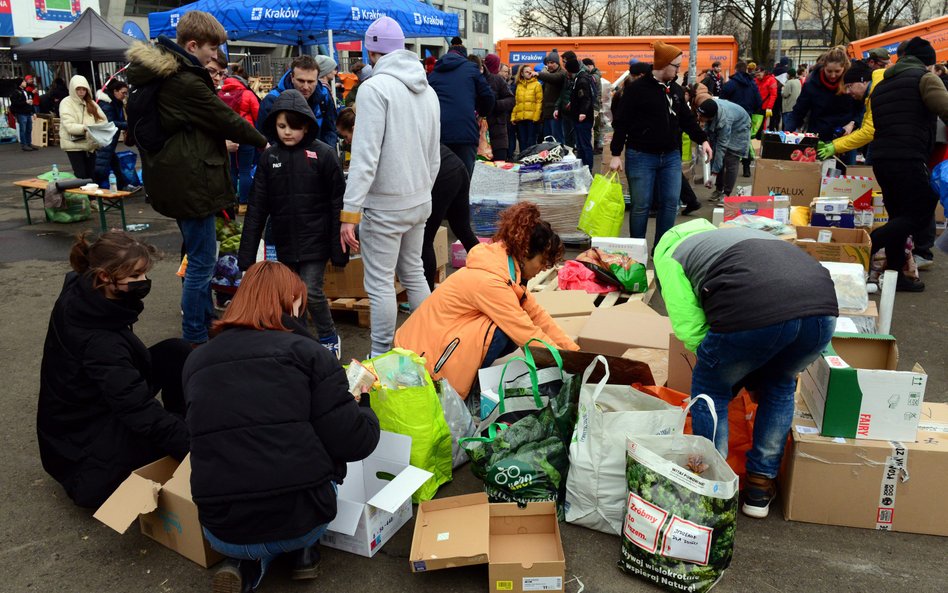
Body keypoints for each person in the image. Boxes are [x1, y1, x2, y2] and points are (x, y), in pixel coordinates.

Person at [183, 261, 380, 593]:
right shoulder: (309, 353)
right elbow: (354, 443)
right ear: (293, 302)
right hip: (301, 520)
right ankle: (302, 551)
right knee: (314, 442)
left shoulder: (196, 360)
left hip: (220, 527)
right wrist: (362, 404)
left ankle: (248, 563)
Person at [654, 218, 838, 518]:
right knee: (780, 384)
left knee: (710, 387)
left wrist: (725, 370)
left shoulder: (669, 255)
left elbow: (690, 329)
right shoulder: (734, 238)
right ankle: (759, 488)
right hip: (822, 312)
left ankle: (713, 484)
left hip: (756, 310)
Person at [126, 11, 267, 347]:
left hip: (174, 178)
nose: (214, 57)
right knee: (202, 264)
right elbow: (224, 118)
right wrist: (265, 143)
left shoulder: (164, 73)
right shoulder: (184, 81)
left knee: (198, 256)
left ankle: (205, 319)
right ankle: (194, 335)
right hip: (191, 182)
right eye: (211, 50)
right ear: (192, 45)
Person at [38, 231, 191, 508]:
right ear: (105, 276)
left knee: (177, 352)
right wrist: (196, 448)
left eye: (144, 274)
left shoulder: (83, 288)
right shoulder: (100, 343)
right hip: (80, 434)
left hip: (86, 400)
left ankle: (180, 422)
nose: (143, 282)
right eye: (134, 277)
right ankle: (181, 433)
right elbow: (137, 410)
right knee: (152, 442)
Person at [395, 203, 580, 398]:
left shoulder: (504, 267)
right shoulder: (491, 280)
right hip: (418, 360)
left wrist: (575, 354)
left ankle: (468, 377)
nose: (543, 269)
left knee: (507, 326)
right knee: (503, 330)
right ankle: (451, 385)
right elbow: (528, 334)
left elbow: (538, 316)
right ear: (526, 254)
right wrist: (566, 364)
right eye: (542, 262)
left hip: (430, 344)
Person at [340, 16, 441, 357]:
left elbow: (365, 157)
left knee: (381, 282)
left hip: (385, 203)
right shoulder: (427, 90)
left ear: (371, 50)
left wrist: (349, 212)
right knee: (414, 273)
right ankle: (428, 345)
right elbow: (434, 153)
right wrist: (423, 190)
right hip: (419, 199)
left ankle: (381, 353)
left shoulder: (374, 89)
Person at [237, 90, 348, 357]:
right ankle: (300, 342)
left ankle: (328, 336)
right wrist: (246, 255)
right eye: (282, 126)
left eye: (294, 127)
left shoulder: (323, 154)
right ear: (274, 125)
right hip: (284, 240)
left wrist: (339, 249)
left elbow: (338, 203)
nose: (288, 132)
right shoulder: (268, 157)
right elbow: (257, 208)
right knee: (290, 296)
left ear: (307, 125)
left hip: (316, 240)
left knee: (312, 291)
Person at [336, 109, 478, 291]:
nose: (346, 142)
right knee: (462, 229)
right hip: (456, 167)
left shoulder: (375, 140)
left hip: (440, 176)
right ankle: (494, 275)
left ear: (356, 128)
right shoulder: (391, 128)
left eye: (345, 136)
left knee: (424, 240)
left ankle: (426, 299)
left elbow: (372, 174)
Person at [609, 41, 712, 249]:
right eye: (676, 65)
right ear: (664, 64)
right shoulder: (636, 90)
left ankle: (661, 249)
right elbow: (622, 122)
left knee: (670, 203)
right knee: (641, 206)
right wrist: (615, 153)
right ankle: (637, 250)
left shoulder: (674, 90)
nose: (678, 70)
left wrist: (703, 140)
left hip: (670, 157)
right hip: (641, 156)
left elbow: (686, 119)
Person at [868, 37, 948, 292]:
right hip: (908, 156)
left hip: (881, 158)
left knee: (899, 216)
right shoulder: (924, 78)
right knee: (922, 208)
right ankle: (871, 241)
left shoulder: (882, 84)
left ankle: (896, 275)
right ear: (927, 62)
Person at [428, 43, 495, 174]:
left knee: (442, 179)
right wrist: (482, 113)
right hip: (465, 131)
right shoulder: (471, 69)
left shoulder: (435, 72)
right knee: (464, 178)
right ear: (464, 56)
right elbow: (488, 96)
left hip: (439, 133)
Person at [784, 46, 862, 148]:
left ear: (844, 68)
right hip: (819, 135)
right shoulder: (811, 84)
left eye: (837, 71)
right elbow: (798, 111)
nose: (833, 75)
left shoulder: (852, 82)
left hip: (845, 138)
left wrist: (853, 123)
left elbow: (862, 108)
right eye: (829, 71)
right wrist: (785, 134)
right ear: (823, 67)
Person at [816, 61, 882, 163]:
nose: (847, 91)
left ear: (863, 81)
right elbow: (864, 128)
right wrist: (834, 144)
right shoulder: (872, 93)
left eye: (849, 86)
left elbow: (868, 131)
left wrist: (835, 147)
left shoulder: (877, 93)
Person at [219, 56, 261, 215]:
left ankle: (231, 201)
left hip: (227, 136)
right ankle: (244, 203)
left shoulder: (220, 93)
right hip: (245, 135)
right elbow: (258, 115)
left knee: (232, 170)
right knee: (245, 170)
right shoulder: (247, 94)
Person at [697, 98, 751, 202]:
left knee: (730, 158)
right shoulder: (709, 106)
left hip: (740, 126)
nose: (699, 118)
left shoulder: (725, 121)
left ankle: (726, 193)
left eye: (701, 117)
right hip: (729, 119)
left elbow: (721, 147)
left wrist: (713, 174)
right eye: (698, 114)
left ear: (710, 117)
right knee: (715, 152)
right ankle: (718, 189)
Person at [257, 55, 324, 139]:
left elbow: (330, 130)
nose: (306, 87)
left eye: (310, 82)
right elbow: (265, 136)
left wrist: (324, 151)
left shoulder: (323, 97)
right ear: (292, 77)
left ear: (317, 80)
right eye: (301, 81)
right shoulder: (272, 100)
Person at [94, 79, 139, 191]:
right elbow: (110, 122)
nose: (125, 95)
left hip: (109, 139)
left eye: (126, 93)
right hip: (105, 139)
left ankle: (122, 185)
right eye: (123, 92)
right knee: (101, 168)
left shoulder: (115, 103)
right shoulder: (107, 105)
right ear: (115, 91)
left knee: (114, 164)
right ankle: (96, 191)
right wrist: (127, 125)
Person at [59, 75, 107, 178]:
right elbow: (69, 125)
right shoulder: (66, 103)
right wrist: (86, 128)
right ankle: (83, 194)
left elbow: (103, 120)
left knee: (91, 175)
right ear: (72, 89)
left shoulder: (91, 102)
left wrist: (97, 128)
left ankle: (92, 194)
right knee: (81, 175)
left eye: (84, 89)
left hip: (90, 144)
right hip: (73, 145)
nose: (81, 92)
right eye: (78, 89)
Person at [720, 61, 762, 177]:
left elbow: (721, 101)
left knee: (727, 142)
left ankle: (725, 169)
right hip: (747, 117)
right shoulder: (753, 84)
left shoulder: (730, 84)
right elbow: (759, 102)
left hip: (731, 118)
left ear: (736, 69)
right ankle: (746, 168)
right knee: (746, 143)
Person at [561, 54, 596, 173]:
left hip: (583, 119)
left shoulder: (581, 80)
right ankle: (582, 167)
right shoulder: (579, 78)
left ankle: (587, 169)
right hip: (578, 117)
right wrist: (572, 102)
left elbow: (585, 98)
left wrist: (583, 112)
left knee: (584, 145)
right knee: (580, 145)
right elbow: (580, 96)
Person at [483, 53, 514, 161]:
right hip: (483, 131)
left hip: (497, 128)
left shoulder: (498, 80)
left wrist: (495, 104)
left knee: (499, 163)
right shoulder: (478, 78)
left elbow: (511, 100)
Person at [511, 64, 543, 153]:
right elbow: (517, 103)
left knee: (531, 141)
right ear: (521, 73)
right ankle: (523, 160)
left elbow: (539, 102)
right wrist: (513, 117)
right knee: (522, 141)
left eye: (530, 71)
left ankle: (531, 160)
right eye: (526, 71)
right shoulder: (519, 86)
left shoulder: (537, 84)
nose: (529, 73)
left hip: (532, 119)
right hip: (521, 118)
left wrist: (536, 117)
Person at [538, 50, 566, 143]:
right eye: (548, 63)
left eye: (552, 62)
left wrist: (538, 74)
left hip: (556, 114)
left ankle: (560, 157)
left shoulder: (562, 73)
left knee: (558, 140)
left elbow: (554, 78)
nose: (549, 65)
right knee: (548, 141)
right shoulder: (549, 75)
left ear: (557, 63)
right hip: (547, 114)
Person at [314, 55, 340, 149]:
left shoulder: (322, 88)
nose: (335, 72)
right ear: (326, 70)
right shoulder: (323, 91)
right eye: (333, 69)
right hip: (325, 138)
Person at [9, 77, 37, 151]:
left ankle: (29, 143)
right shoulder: (15, 92)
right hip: (21, 113)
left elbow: (31, 102)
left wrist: (33, 112)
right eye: (23, 81)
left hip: (28, 112)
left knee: (29, 129)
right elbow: (15, 103)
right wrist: (26, 102)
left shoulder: (25, 91)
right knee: (23, 129)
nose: (25, 82)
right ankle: (24, 145)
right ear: (20, 83)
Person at [754, 67, 778, 132]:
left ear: (763, 72)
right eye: (756, 75)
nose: (758, 77)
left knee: (761, 124)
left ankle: (760, 137)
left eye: (759, 75)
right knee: (756, 124)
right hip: (757, 105)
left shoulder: (771, 80)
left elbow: (773, 95)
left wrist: (769, 107)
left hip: (765, 106)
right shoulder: (756, 80)